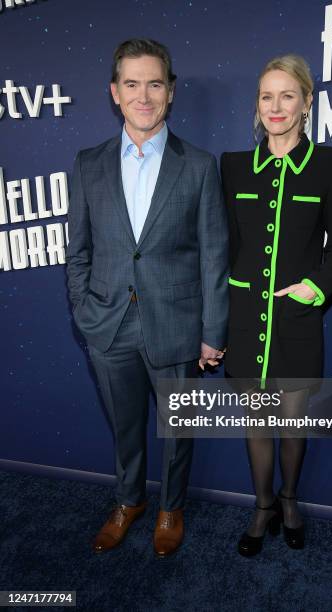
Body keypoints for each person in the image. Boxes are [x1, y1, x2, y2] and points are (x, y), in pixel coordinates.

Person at [66, 39, 228, 557]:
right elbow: (78, 251)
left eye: (154, 83)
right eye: (131, 84)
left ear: (170, 92)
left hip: (177, 325)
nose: (143, 95)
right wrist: (84, 312)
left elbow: (213, 255)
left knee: (178, 433)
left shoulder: (200, 165)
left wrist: (212, 332)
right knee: (124, 428)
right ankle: (128, 500)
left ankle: (170, 508)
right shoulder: (89, 163)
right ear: (115, 93)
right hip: (108, 324)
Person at [220, 54, 332, 555]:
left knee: (292, 424)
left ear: (307, 102)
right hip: (244, 321)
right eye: (266, 96)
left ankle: (290, 499)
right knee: (257, 423)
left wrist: (314, 287)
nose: (276, 106)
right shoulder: (233, 166)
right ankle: (261, 505)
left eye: (287, 95)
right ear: (257, 105)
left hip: (298, 321)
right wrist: (214, 326)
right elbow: (224, 250)